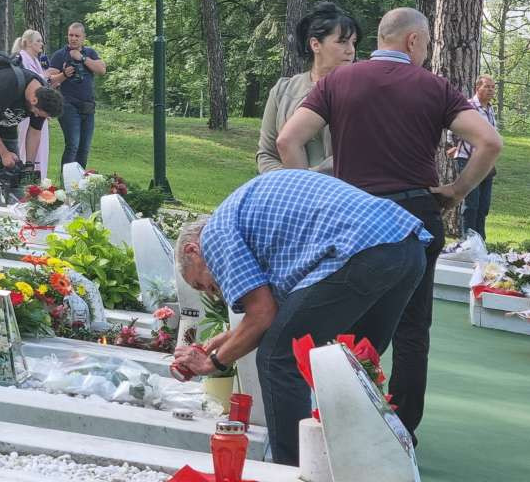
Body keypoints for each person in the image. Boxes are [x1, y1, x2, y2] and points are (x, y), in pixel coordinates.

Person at [275, 7, 502, 444]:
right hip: (413, 215)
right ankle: (399, 429)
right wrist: (456, 190)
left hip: (352, 215)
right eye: (428, 41)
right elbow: (489, 142)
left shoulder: (337, 82)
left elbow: (288, 140)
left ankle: (334, 417)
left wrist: (312, 195)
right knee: (412, 327)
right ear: (414, 41)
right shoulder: (435, 87)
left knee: (340, 315)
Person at [171, 170, 431, 466]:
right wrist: (221, 341)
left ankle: (294, 469)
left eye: (202, 283)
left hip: (363, 250)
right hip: (404, 248)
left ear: (193, 249)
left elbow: (263, 315)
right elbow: (279, 315)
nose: (213, 293)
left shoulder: (215, 235)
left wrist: (213, 363)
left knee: (277, 359)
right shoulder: (239, 219)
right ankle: (361, 463)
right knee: (354, 364)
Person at [256, 2, 360, 174]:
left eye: (353, 42)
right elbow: (266, 154)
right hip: (290, 194)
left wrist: (312, 176)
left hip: (343, 194)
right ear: (315, 44)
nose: (350, 50)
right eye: (342, 42)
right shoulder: (283, 90)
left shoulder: (363, 90)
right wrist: (290, 183)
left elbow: (362, 154)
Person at [0, 61, 63, 205]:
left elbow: (35, 132)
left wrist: (29, 165)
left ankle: (16, 212)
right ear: (33, 100)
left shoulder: (43, 97)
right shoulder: (8, 85)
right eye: (38, 113)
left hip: (7, 122)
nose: (37, 116)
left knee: (15, 172)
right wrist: (3, 153)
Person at [49, 22, 106, 168]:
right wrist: (64, 74)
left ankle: (78, 185)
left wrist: (82, 58)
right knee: (73, 145)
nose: (73, 38)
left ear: (83, 37)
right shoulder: (59, 55)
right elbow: (49, 80)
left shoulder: (90, 53)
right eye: (71, 35)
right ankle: (66, 185)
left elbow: (102, 70)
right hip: (68, 105)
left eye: (77, 36)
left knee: (84, 148)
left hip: (88, 106)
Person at [449, 74, 499, 239]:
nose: (491, 90)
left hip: (486, 162)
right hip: (468, 160)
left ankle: (480, 241)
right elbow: (453, 129)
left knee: (483, 205)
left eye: (492, 87)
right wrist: (454, 146)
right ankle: (468, 241)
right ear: (477, 88)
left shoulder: (490, 109)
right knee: (472, 203)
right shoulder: (468, 106)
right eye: (487, 87)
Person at [11, 30, 53, 180]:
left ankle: (38, 177)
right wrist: (45, 76)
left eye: (41, 41)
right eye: (38, 41)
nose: (41, 44)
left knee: (41, 144)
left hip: (39, 109)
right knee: (26, 141)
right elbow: (26, 82)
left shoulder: (36, 60)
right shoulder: (20, 59)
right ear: (28, 42)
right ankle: (23, 174)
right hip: (28, 109)